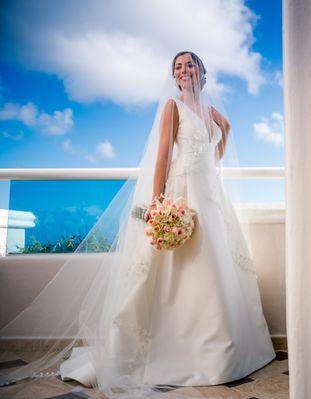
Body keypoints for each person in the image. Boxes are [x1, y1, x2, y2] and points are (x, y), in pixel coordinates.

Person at [1, 51, 275, 397]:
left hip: (211, 193)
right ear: (174, 77)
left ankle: (223, 348)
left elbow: (226, 130)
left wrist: (213, 154)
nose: (184, 70)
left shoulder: (210, 111)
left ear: (201, 72)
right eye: (178, 66)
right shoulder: (173, 108)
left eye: (190, 64)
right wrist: (159, 201)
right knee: (180, 267)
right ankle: (177, 348)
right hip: (184, 191)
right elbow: (162, 155)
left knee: (218, 267)